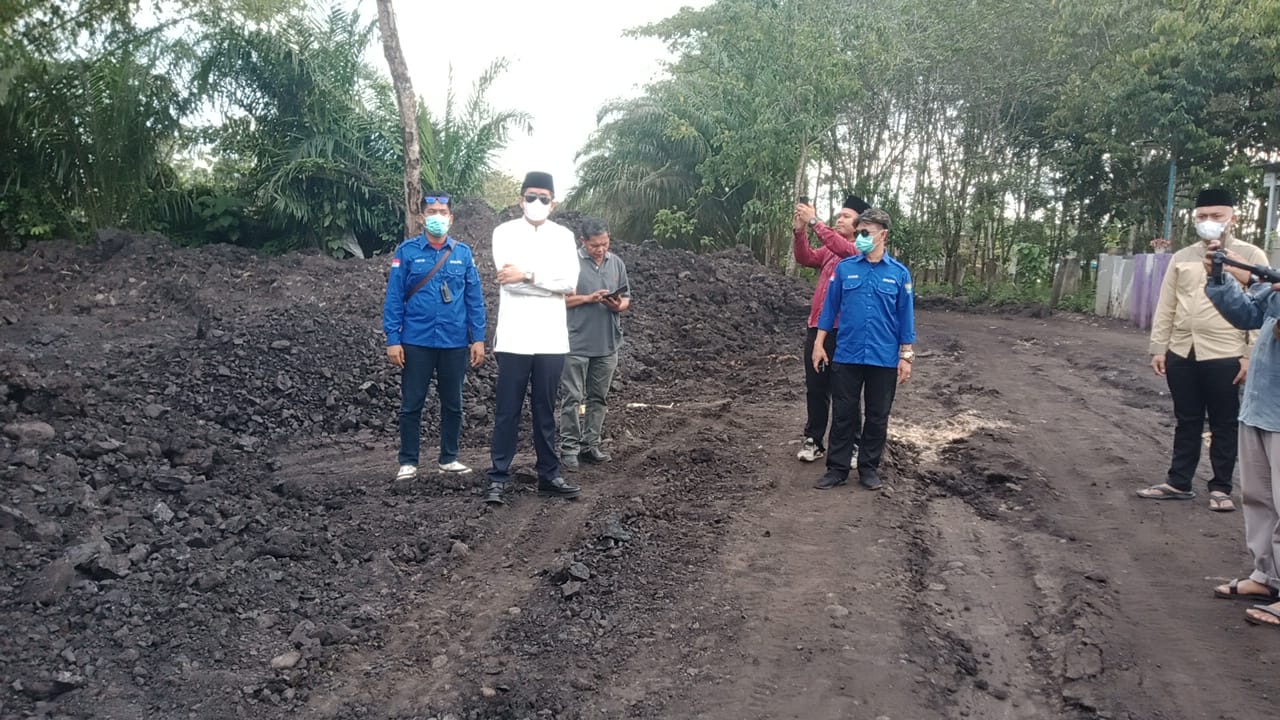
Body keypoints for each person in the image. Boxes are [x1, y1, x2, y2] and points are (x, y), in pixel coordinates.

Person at [1138, 188, 1270, 511]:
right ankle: (1178, 482)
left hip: (1226, 353)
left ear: (1232, 218)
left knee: (1224, 421)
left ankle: (1221, 488)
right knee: (1187, 418)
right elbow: (1167, 304)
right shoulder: (1182, 258)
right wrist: (1160, 347)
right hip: (1182, 351)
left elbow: (1264, 305)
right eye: (1202, 217)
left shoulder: (1251, 257)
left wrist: (1250, 354)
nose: (1208, 222)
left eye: (1216, 216)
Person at [484, 171, 582, 505]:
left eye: (543, 198)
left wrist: (527, 274)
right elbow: (506, 280)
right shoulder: (504, 233)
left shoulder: (564, 236)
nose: (536, 203)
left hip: (552, 339)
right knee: (507, 411)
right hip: (514, 337)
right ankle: (497, 477)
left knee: (545, 410)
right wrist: (545, 282)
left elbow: (569, 283)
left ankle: (549, 474)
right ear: (520, 199)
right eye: (531, 197)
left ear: (553, 203)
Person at [382, 191, 486, 481]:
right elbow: (394, 297)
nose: (437, 217)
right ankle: (408, 462)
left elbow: (474, 299)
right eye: (432, 212)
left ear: (451, 218)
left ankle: (449, 458)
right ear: (422, 217)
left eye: (442, 212)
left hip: (454, 341)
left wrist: (477, 338)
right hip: (416, 340)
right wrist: (393, 338)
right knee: (412, 402)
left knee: (453, 402)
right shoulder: (407, 252)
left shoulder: (463, 253)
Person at [811, 208, 915, 491]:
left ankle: (869, 469)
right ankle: (837, 469)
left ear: (883, 235)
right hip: (847, 353)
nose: (861, 238)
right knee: (844, 414)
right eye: (859, 233)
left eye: (866, 232)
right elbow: (829, 309)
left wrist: (906, 356)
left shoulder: (899, 274)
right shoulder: (845, 269)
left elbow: (906, 316)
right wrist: (819, 344)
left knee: (877, 415)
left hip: (882, 357)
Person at [1202, 248, 1280, 626]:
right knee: (1259, 498)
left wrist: (1251, 277)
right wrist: (1222, 278)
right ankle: (1266, 577)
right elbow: (1248, 313)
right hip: (1262, 405)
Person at [793, 195, 868, 463]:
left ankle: (854, 444)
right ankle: (814, 439)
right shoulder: (828, 251)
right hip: (817, 329)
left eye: (846, 216)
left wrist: (814, 220)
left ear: (860, 225)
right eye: (838, 215)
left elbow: (840, 246)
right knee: (816, 387)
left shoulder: (860, 249)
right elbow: (805, 257)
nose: (839, 219)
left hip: (845, 332)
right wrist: (800, 230)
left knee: (845, 391)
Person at [559, 218, 631, 471]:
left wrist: (616, 305)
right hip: (575, 342)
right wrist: (589, 298)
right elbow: (561, 300)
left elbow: (626, 300)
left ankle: (591, 444)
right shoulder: (570, 263)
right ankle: (569, 448)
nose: (600, 249)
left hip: (607, 342)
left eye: (604, 244)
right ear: (583, 242)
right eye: (594, 245)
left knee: (598, 397)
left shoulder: (616, 263)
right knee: (572, 397)